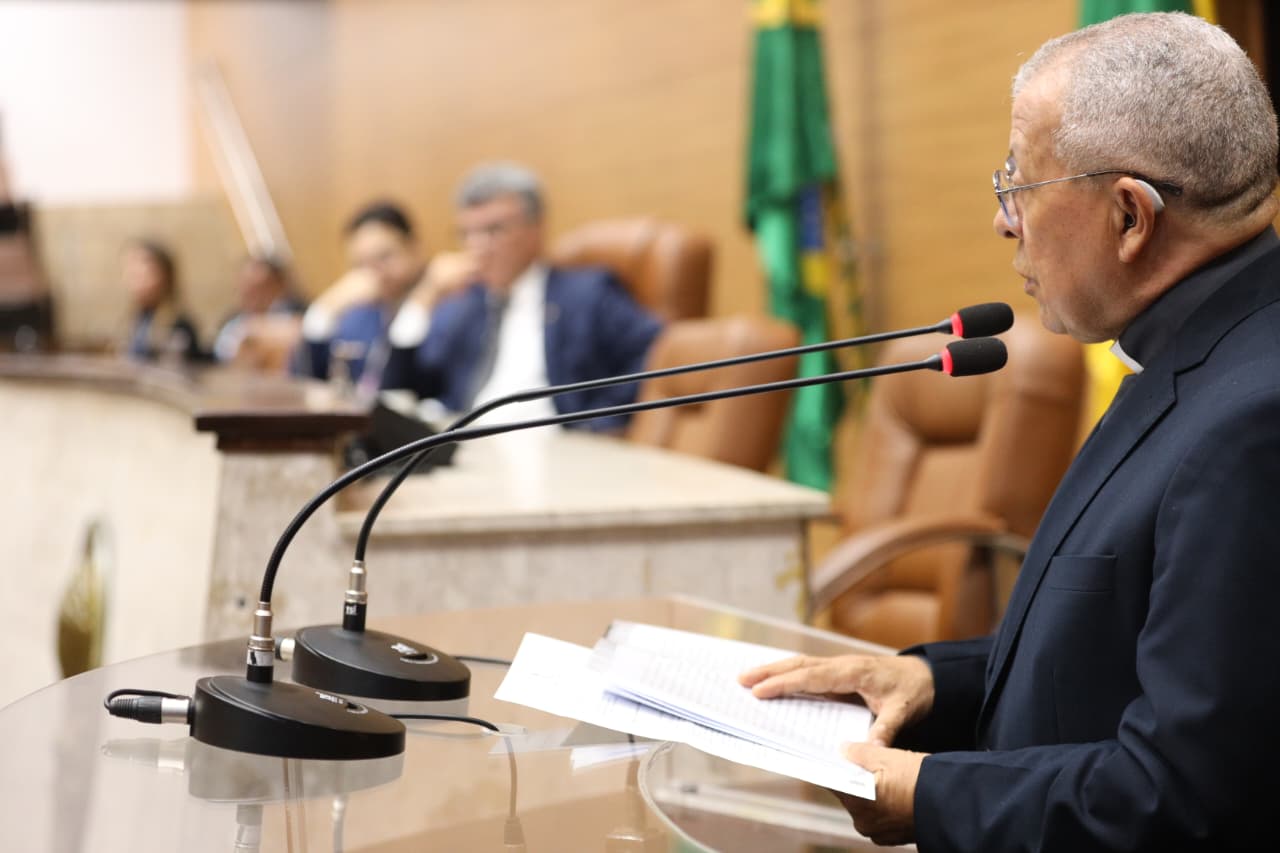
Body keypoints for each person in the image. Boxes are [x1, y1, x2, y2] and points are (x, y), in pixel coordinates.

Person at [740, 12, 1280, 851]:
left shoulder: (1252, 420)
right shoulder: (1197, 354)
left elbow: (1184, 797)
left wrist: (928, 793)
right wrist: (927, 681)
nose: (1004, 220)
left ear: (1129, 217)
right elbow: (1111, 657)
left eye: (1018, 182)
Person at [409, 162, 662, 430]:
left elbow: (656, 353)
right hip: (468, 443)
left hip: (554, 445)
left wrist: (599, 425)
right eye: (466, 233)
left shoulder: (586, 293)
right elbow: (412, 387)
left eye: (494, 230)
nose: (477, 246)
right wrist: (424, 298)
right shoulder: (467, 303)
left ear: (536, 228)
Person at [296, 201, 432, 397]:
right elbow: (308, 382)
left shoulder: (445, 309)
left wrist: (420, 303)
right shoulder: (358, 317)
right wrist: (325, 309)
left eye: (384, 257)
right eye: (360, 265)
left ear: (414, 248)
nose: (374, 273)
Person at [212, 255, 305, 367]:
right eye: (246, 287)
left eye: (259, 288)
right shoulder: (233, 320)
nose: (250, 295)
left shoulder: (296, 313)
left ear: (279, 286)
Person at [120, 239, 203, 363]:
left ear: (165, 276)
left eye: (143, 273)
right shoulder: (138, 319)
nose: (134, 280)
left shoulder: (179, 325)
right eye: (131, 272)